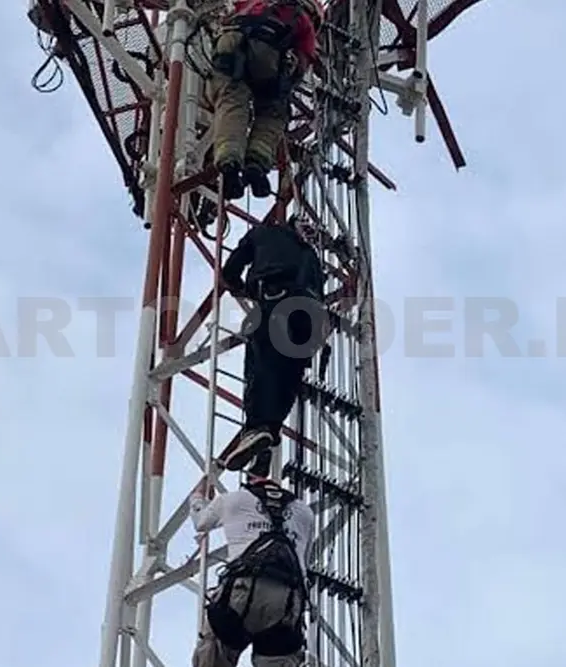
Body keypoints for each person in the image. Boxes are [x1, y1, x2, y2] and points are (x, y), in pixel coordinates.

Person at [218, 217, 327, 472]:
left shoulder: (263, 234)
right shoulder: (311, 256)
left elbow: (231, 270)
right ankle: (268, 435)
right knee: (289, 375)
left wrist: (239, 287)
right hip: (310, 319)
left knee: (262, 364)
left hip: (278, 301)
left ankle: (257, 429)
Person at [189, 461, 314, 667]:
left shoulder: (233, 499)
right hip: (287, 601)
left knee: (214, 653)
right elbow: (305, 564)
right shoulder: (305, 512)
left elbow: (200, 522)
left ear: (250, 479)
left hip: (242, 591)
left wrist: (196, 498)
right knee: (281, 658)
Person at [209, 0, 323, 200]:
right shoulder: (302, 19)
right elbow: (302, 63)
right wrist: (285, 85)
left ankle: (229, 164)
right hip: (267, 49)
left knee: (231, 100)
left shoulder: (253, 2)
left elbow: (225, 15)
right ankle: (256, 163)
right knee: (274, 111)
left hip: (229, 42)